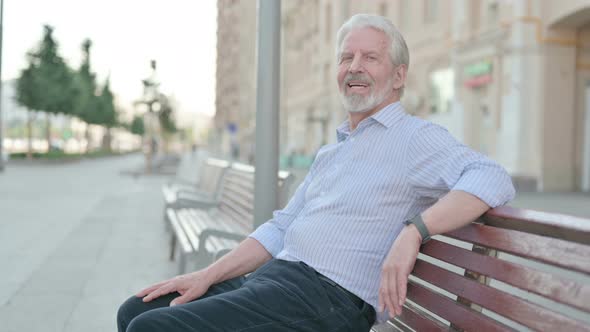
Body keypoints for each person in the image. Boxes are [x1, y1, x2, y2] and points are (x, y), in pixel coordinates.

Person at [117, 14, 515, 331]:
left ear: (398, 77)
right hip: (276, 281)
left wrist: (415, 231)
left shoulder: (415, 138)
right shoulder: (333, 150)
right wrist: (206, 274)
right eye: (346, 57)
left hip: (328, 300)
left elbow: (491, 177)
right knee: (136, 310)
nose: (354, 67)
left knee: (153, 328)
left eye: (370, 58)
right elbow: (279, 228)